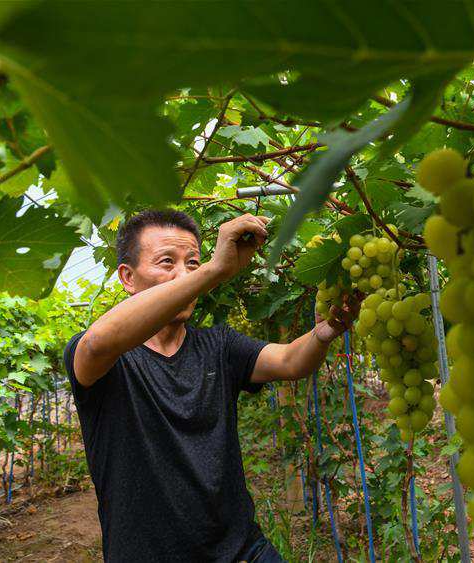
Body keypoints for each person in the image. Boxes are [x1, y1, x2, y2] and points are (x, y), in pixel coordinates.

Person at [63, 209, 358, 562]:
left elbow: (291, 361)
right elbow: (98, 343)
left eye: (192, 262)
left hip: (243, 552)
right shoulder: (104, 357)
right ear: (127, 277)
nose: (183, 273)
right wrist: (213, 270)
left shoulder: (219, 346)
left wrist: (323, 333)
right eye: (166, 262)